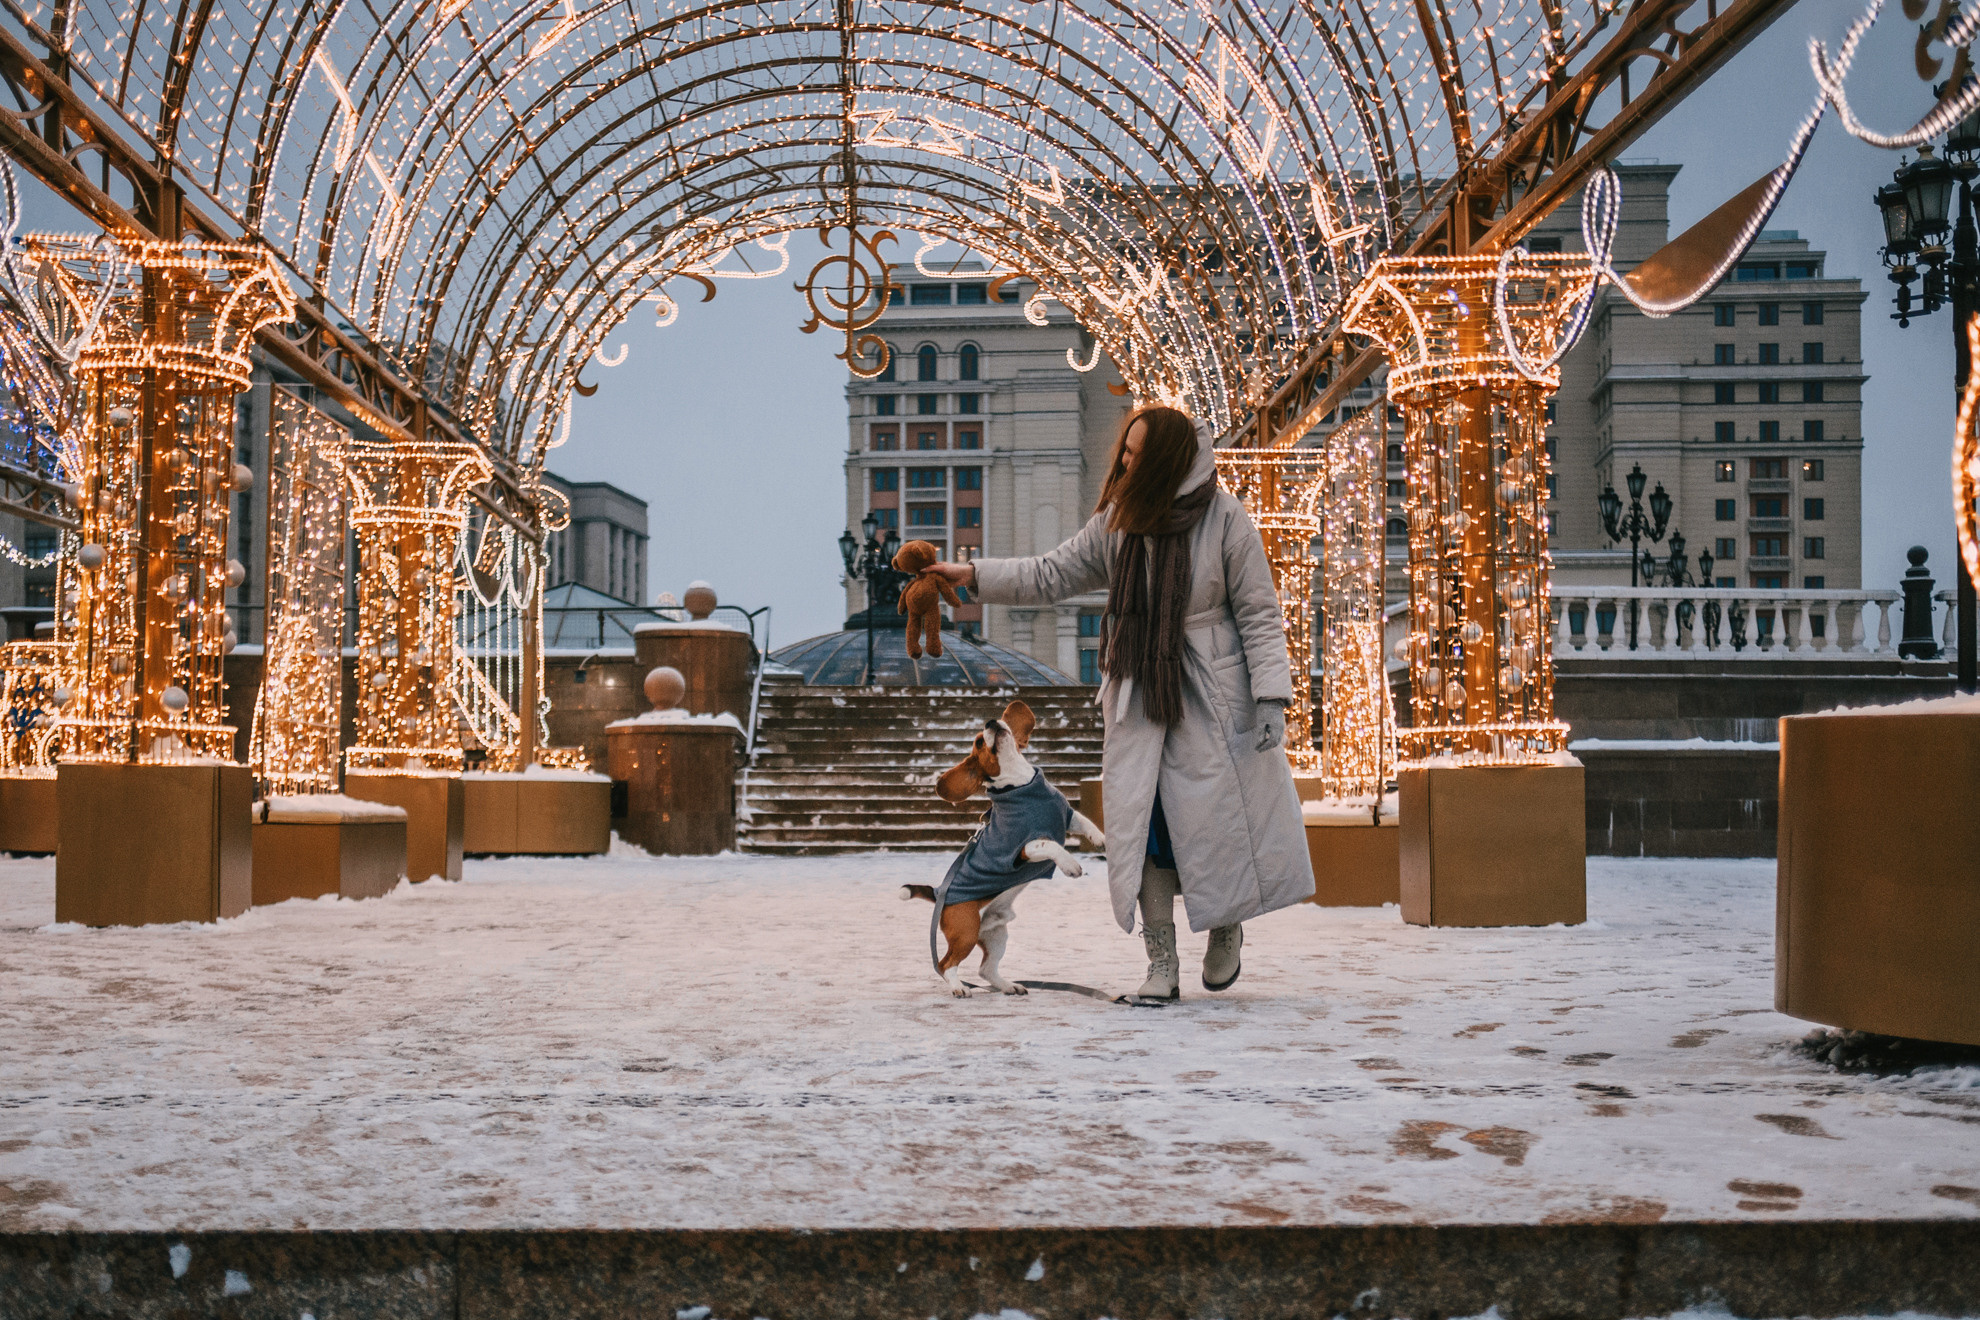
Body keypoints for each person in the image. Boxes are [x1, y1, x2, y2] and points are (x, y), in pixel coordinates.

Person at [925, 405, 1313, 997]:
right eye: (1123, 451)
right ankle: (1161, 960)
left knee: (1216, 826)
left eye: (1136, 454)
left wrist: (1270, 696)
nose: (1124, 462)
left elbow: (1259, 612)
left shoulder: (1226, 518)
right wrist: (972, 574)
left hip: (1211, 692)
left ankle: (1225, 927)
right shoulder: (1117, 520)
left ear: (1165, 460)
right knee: (1145, 829)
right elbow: (1050, 573)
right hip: (1139, 692)